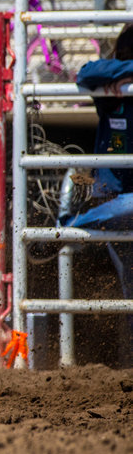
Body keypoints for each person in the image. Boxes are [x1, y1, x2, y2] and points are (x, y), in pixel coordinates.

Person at [58, 23, 133, 352]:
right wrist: (128, 72)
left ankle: (71, 225)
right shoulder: (112, 87)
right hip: (115, 196)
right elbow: (86, 74)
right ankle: (71, 225)